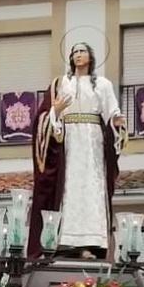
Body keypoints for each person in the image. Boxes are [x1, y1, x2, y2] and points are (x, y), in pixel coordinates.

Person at [28, 39, 123, 259]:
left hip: (92, 142)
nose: (78, 55)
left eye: (82, 51)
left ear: (91, 56)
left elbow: (112, 113)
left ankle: (92, 243)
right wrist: (56, 111)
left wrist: (118, 123)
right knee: (68, 188)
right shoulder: (60, 84)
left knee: (91, 189)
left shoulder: (103, 84)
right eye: (74, 52)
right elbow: (43, 117)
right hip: (68, 142)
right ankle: (65, 242)